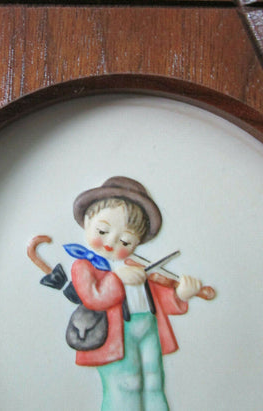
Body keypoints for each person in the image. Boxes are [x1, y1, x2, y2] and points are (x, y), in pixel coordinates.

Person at [67, 176, 202, 411]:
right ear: (88, 221)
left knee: (153, 380)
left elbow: (160, 297)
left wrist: (180, 294)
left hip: (148, 326)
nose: (111, 242)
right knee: (127, 382)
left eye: (125, 241)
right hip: (114, 333)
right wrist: (117, 278)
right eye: (102, 230)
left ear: (137, 242)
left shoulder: (137, 265)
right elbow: (94, 299)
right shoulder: (85, 266)